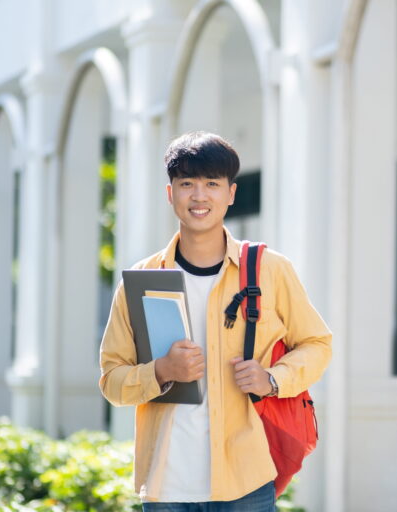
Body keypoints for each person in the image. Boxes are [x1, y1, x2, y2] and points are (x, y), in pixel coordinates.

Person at [99, 131, 332, 511]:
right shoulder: (142, 279)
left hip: (246, 480)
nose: (200, 196)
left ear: (231, 194)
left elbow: (317, 344)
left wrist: (273, 379)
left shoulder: (269, 270)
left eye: (212, 184)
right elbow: (111, 379)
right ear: (170, 193)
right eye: (187, 183)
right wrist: (161, 370)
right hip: (166, 486)